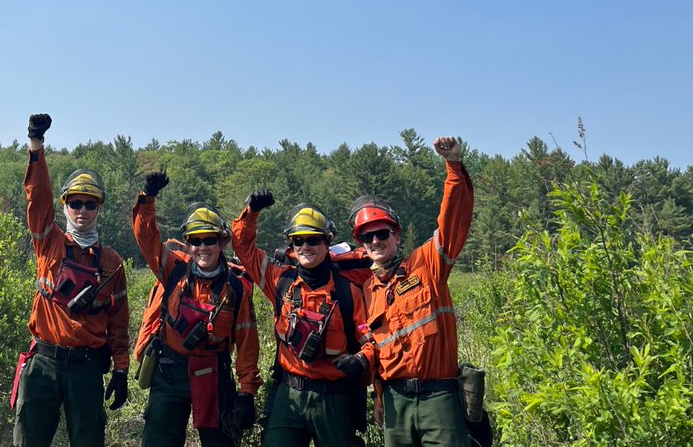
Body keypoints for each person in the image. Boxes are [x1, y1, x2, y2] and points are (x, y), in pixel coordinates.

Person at [12, 113, 130, 447]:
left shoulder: (112, 264)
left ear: (99, 208)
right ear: (65, 206)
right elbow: (37, 197)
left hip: (86, 368)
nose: (82, 210)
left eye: (89, 204)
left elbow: (119, 324)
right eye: (75, 203)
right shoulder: (48, 242)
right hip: (43, 363)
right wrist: (36, 144)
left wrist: (121, 370)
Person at [356, 136, 474, 447]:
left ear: (397, 236)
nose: (375, 241)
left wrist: (453, 166)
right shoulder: (369, 289)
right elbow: (377, 347)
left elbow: (453, 222)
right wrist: (378, 396)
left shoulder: (426, 264)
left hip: (439, 398)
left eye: (382, 233)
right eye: (367, 238)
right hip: (395, 403)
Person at [231, 191, 371, 447]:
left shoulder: (348, 293)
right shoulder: (280, 281)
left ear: (327, 243)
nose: (305, 247)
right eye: (298, 241)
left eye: (313, 240)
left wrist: (361, 359)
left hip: (334, 398)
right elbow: (243, 248)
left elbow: (368, 338)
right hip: (289, 394)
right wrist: (251, 212)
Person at [131, 171, 261, 446]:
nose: (203, 247)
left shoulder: (236, 288)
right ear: (188, 244)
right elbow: (146, 237)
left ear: (222, 242)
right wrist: (148, 198)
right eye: (196, 241)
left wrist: (247, 393)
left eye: (209, 240)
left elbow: (247, 344)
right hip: (169, 375)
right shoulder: (173, 270)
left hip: (215, 376)